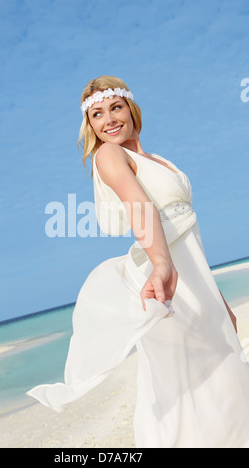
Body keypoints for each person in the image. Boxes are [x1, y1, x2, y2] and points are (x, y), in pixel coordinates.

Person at [27, 76, 249, 448]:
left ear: (131, 108)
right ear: (90, 125)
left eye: (115, 107)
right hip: (166, 285)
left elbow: (191, 240)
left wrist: (220, 300)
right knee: (191, 388)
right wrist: (162, 264)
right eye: (97, 114)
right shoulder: (109, 155)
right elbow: (138, 207)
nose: (108, 119)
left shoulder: (158, 159)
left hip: (196, 286)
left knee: (225, 381)